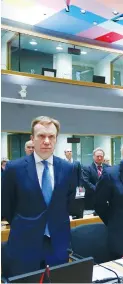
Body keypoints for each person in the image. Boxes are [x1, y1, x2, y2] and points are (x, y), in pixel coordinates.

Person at [1, 116, 77, 277]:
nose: (47, 141)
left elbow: (69, 202)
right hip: (24, 243)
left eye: (51, 136)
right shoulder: (14, 169)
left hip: (58, 243)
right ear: (32, 139)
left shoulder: (67, 169)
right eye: (41, 136)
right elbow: (6, 206)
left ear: (56, 139)